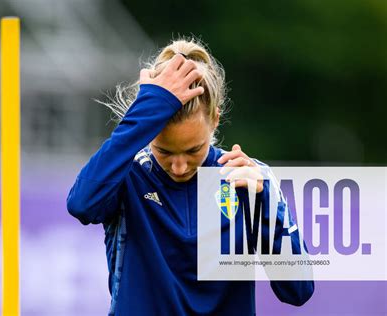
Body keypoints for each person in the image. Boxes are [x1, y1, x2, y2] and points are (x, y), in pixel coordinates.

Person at [67, 38, 314, 315]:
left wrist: (264, 206)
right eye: (164, 151)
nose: (179, 166)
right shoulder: (127, 175)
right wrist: (147, 111)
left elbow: (298, 289)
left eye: (193, 150)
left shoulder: (249, 178)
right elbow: (81, 204)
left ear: (216, 120)